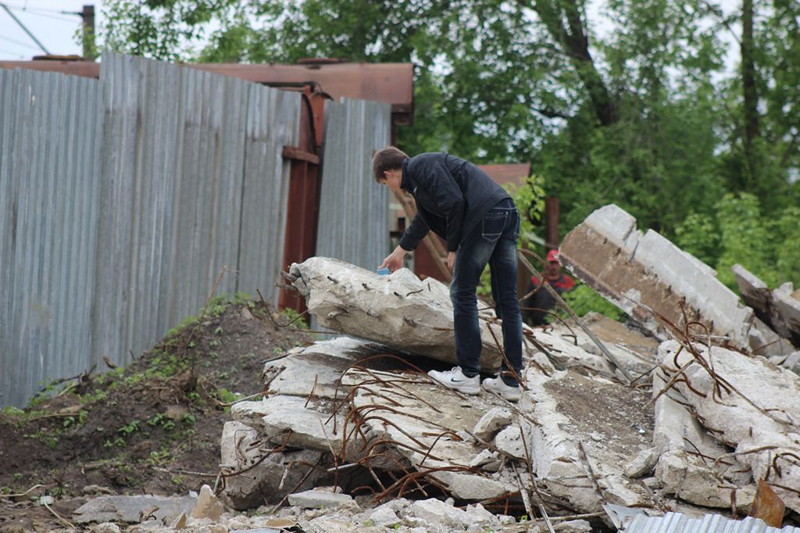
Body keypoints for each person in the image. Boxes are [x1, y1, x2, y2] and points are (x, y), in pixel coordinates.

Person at [372, 146, 524, 401]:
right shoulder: (421, 181)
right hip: (504, 211)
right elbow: (426, 219)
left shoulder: (422, 166)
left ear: (388, 174)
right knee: (508, 300)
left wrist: (452, 248)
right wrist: (400, 251)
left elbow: (454, 202)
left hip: (485, 216)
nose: (390, 188)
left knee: (462, 292)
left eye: (385, 184)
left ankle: (467, 375)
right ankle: (511, 380)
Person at [522, 249, 574, 326]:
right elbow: (527, 303)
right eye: (551, 263)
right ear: (547, 263)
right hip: (539, 325)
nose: (554, 266)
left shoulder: (568, 282)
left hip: (563, 325)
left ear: (560, 264)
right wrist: (524, 322)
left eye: (556, 263)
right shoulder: (536, 279)